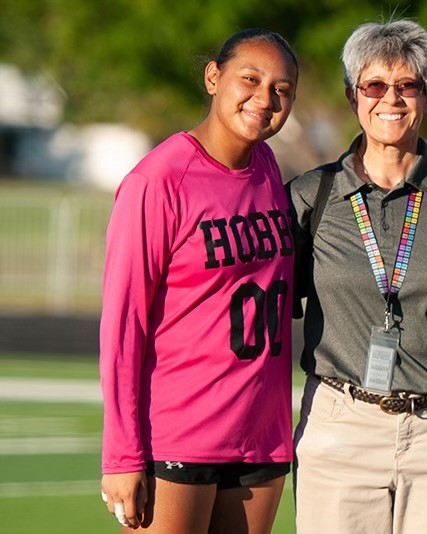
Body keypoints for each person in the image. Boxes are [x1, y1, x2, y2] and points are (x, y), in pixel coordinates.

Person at [286, 19, 427, 534]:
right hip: (340, 425)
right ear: (352, 96)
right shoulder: (309, 196)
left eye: (407, 85)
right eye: (374, 85)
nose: (391, 99)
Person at [98, 28, 298, 533]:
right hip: (180, 434)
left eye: (282, 89)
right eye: (250, 79)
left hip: (261, 434)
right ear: (214, 77)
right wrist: (122, 458)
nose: (265, 99)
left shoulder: (268, 166)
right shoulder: (157, 181)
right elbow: (123, 326)